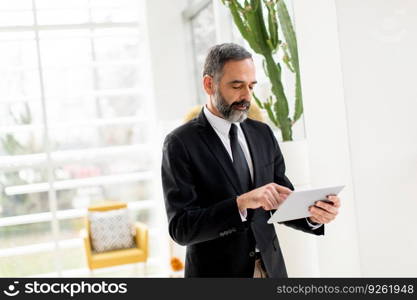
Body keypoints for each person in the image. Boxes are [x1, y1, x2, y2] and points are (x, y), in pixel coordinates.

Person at [161, 43, 341, 278]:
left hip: (271, 269)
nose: (246, 96)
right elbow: (181, 228)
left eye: (251, 86)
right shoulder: (180, 143)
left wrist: (313, 215)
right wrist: (240, 203)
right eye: (236, 86)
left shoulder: (262, 134)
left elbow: (281, 199)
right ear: (209, 84)